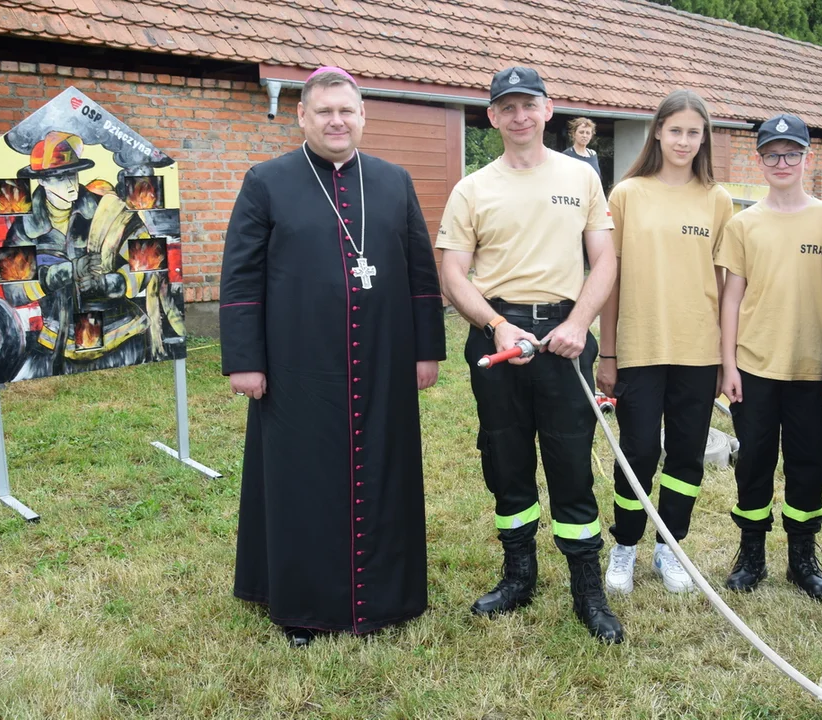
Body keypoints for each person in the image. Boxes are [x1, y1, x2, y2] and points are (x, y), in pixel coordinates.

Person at [220, 67, 446, 647]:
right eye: (324, 112)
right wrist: (245, 360)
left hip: (385, 361)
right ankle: (304, 606)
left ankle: (391, 595)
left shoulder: (394, 181)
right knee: (301, 480)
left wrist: (427, 350)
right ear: (302, 116)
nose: (336, 121)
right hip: (298, 362)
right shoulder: (267, 181)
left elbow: (422, 273)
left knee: (386, 472)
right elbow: (241, 278)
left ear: (363, 116)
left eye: (346, 111)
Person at [438, 66, 623, 643]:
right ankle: (518, 576)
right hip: (497, 338)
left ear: (549, 111)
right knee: (506, 459)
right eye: (507, 107)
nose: (519, 116)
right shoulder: (472, 188)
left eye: (530, 105)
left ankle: (587, 592)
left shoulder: (581, 176)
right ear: (491, 117)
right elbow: (452, 271)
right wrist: (495, 324)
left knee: (571, 463)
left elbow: (606, 259)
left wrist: (579, 322)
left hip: (563, 339)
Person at [596, 90, 732, 597]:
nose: (683, 140)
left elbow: (723, 284)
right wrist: (607, 352)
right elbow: (610, 278)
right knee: (637, 451)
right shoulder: (627, 194)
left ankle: (670, 547)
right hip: (639, 346)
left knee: (687, 455)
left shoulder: (717, 199)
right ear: (657, 131)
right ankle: (626, 545)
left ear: (704, 139)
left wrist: (726, 356)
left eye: (693, 132)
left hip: (699, 350)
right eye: (675, 130)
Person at [717, 114, 822, 599]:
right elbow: (731, 298)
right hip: (754, 366)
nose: (783, 162)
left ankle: (802, 556)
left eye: (792, 153)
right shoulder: (744, 223)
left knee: (809, 461)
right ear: (761, 160)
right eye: (773, 154)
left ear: (808, 157)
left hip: (812, 368)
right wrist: (728, 364)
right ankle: (751, 552)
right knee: (754, 461)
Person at [2, 131, 165, 381]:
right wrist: (68, 271)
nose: (70, 184)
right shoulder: (25, 228)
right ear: (42, 181)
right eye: (59, 177)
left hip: (120, 335)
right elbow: (14, 291)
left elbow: (148, 259)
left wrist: (109, 283)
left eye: (73, 174)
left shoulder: (109, 210)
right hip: (56, 342)